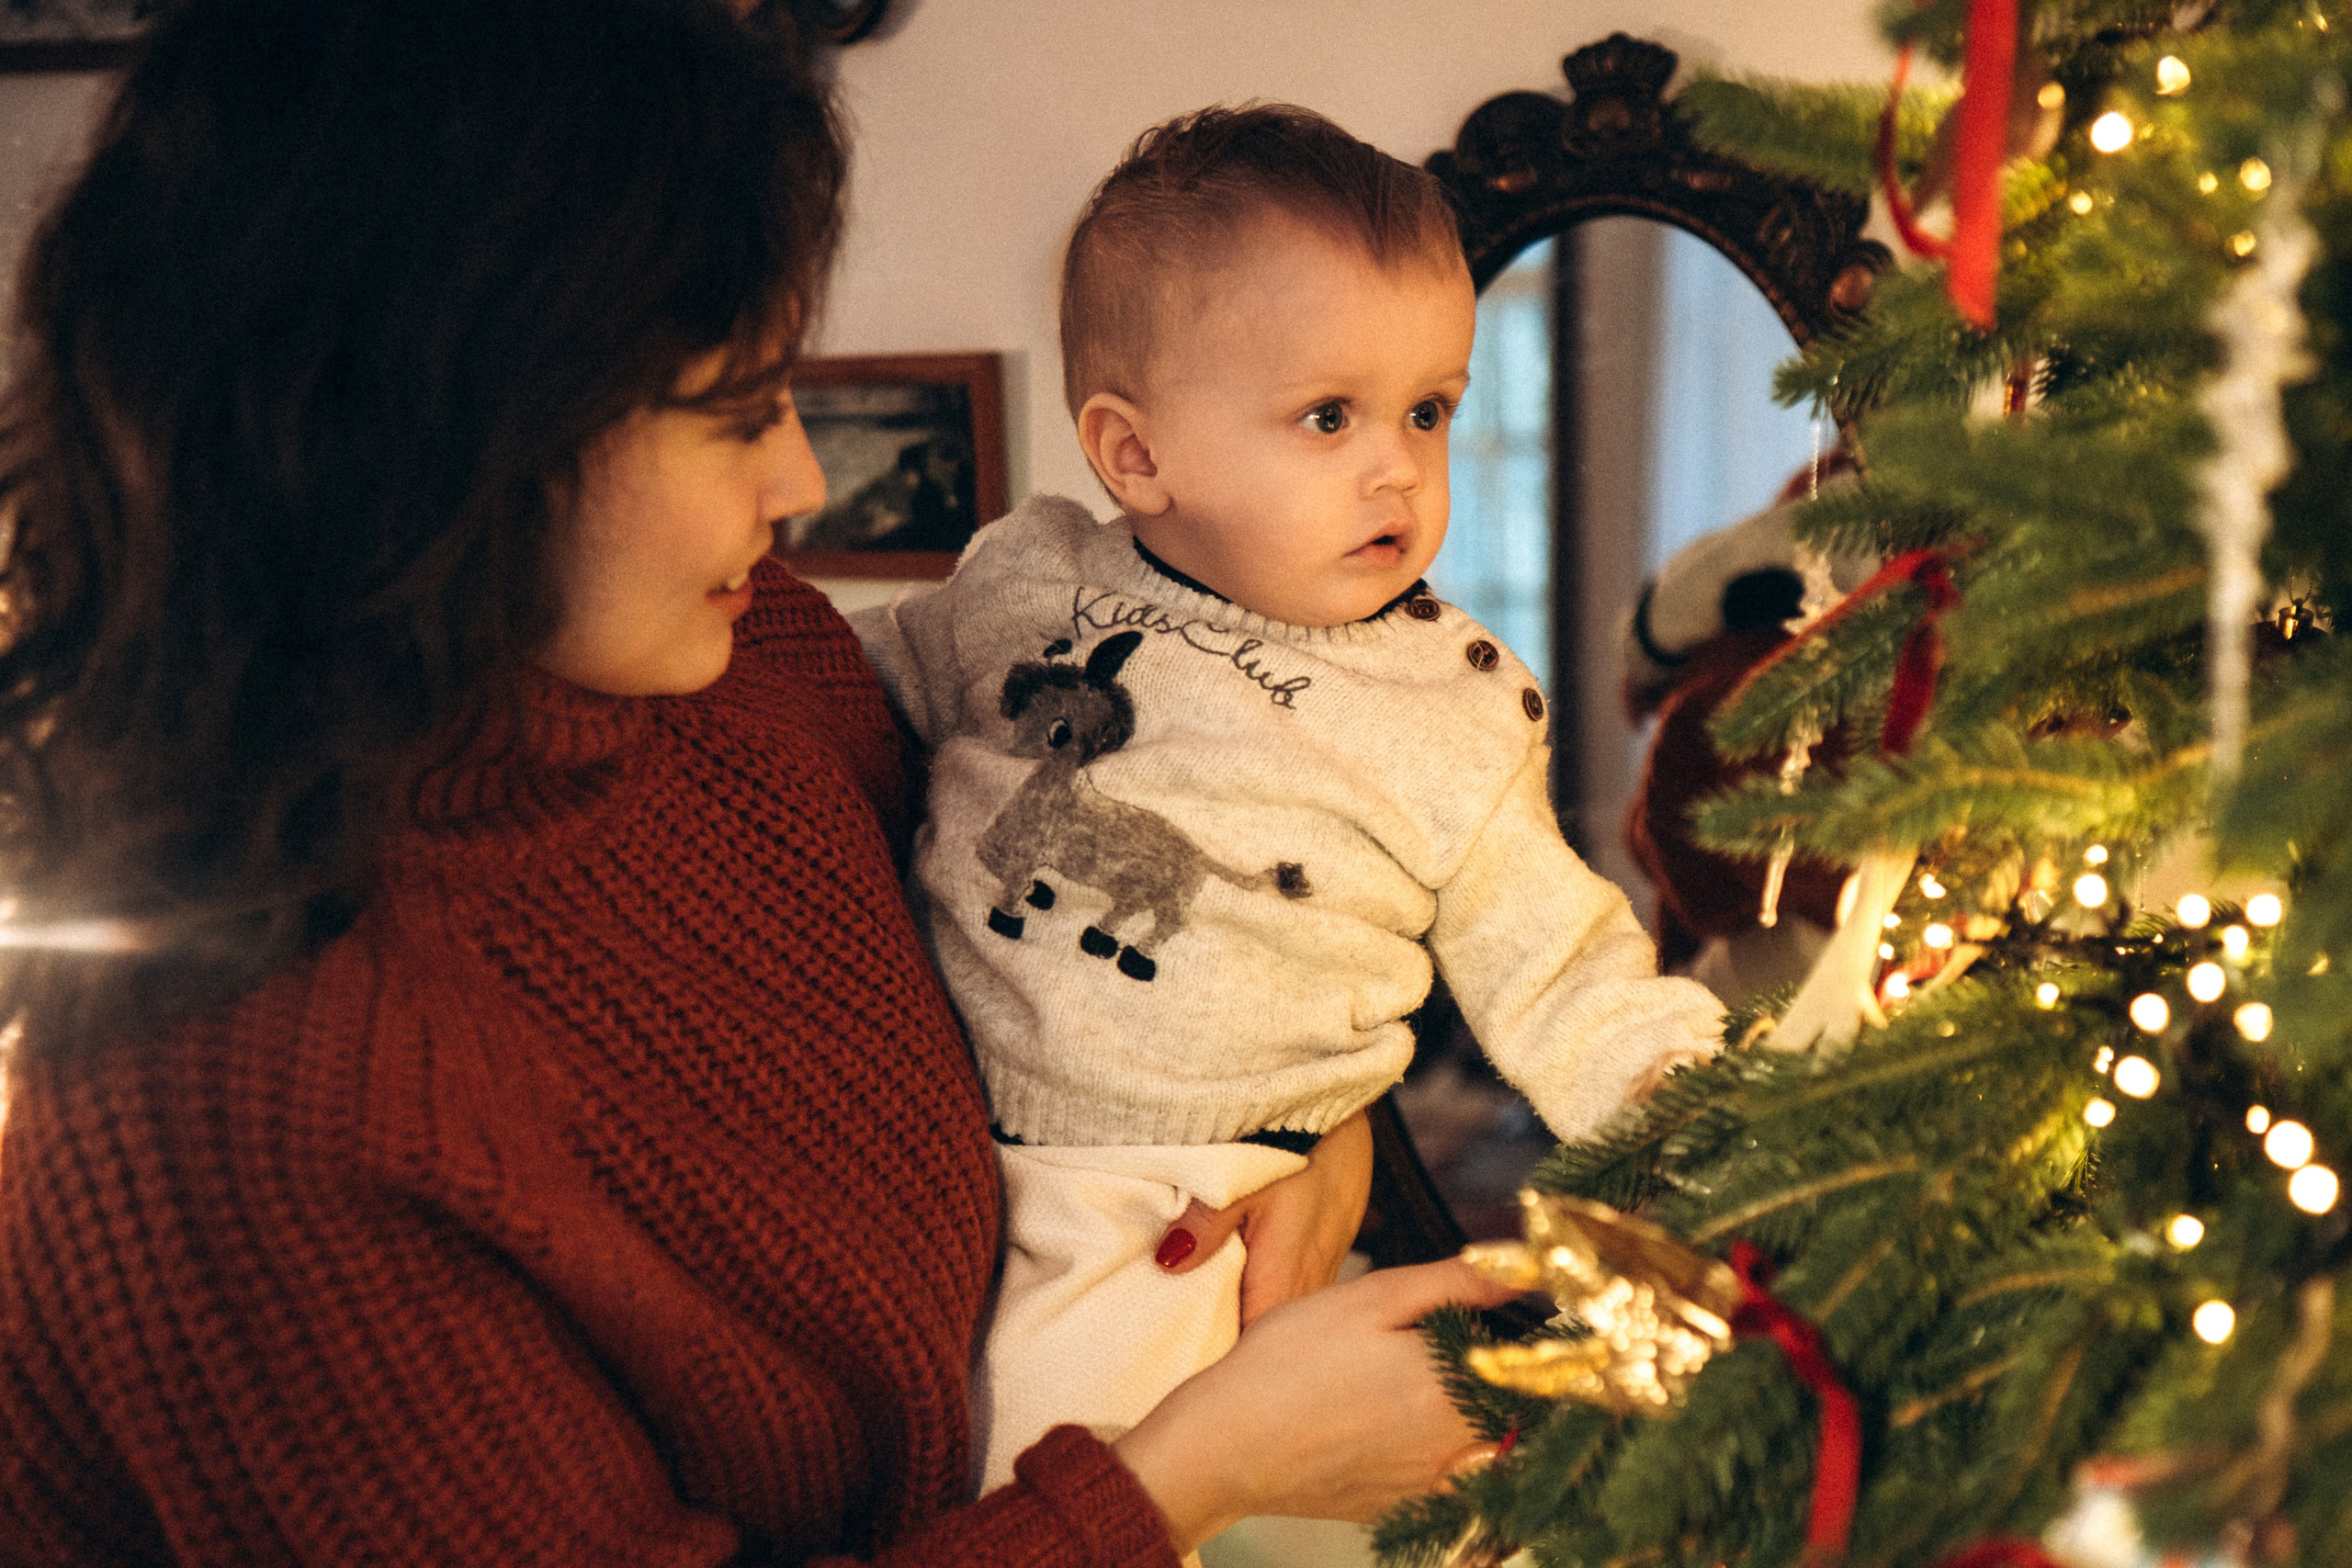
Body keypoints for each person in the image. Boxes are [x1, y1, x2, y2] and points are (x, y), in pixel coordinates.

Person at [0, 6, 1519, 1563]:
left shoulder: (748, 670)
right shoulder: (229, 1105)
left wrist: (1303, 1136)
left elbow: (1061, 939)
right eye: (735, 414)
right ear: (438, 439)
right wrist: (1180, 1477)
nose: (800, 484)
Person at [850, 105, 1726, 1494]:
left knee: (1060, 1479)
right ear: (1135, 457)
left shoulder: (1450, 714)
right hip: (932, 1139)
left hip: (1181, 1203)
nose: (1400, 467)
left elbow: (1561, 967)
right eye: (1329, 416)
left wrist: (1704, 1114)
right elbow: (860, 701)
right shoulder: (1026, 583)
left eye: (1430, 409)